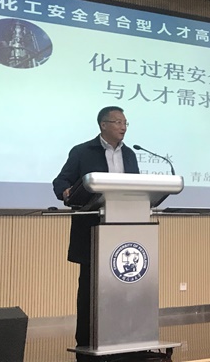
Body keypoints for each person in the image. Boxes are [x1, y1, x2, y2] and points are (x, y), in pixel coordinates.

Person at [52, 106, 139, 349]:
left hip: (124, 232)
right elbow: (61, 181)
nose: (123, 127)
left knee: (123, 288)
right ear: (103, 125)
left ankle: (122, 338)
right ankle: (87, 342)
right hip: (92, 230)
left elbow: (136, 188)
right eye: (118, 122)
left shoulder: (130, 154)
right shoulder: (82, 151)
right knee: (90, 290)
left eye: (125, 123)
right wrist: (65, 192)